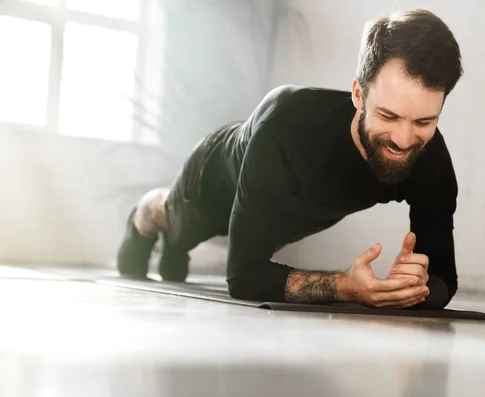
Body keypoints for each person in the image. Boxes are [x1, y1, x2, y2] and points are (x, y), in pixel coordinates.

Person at [117, 9, 463, 309]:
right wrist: (346, 286)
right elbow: (243, 277)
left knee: (251, 237)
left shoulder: (429, 159)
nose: (404, 140)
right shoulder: (286, 121)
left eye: (423, 121)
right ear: (358, 94)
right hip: (215, 182)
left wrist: (412, 289)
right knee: (176, 226)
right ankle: (146, 214)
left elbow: (443, 278)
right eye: (388, 116)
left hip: (285, 210)